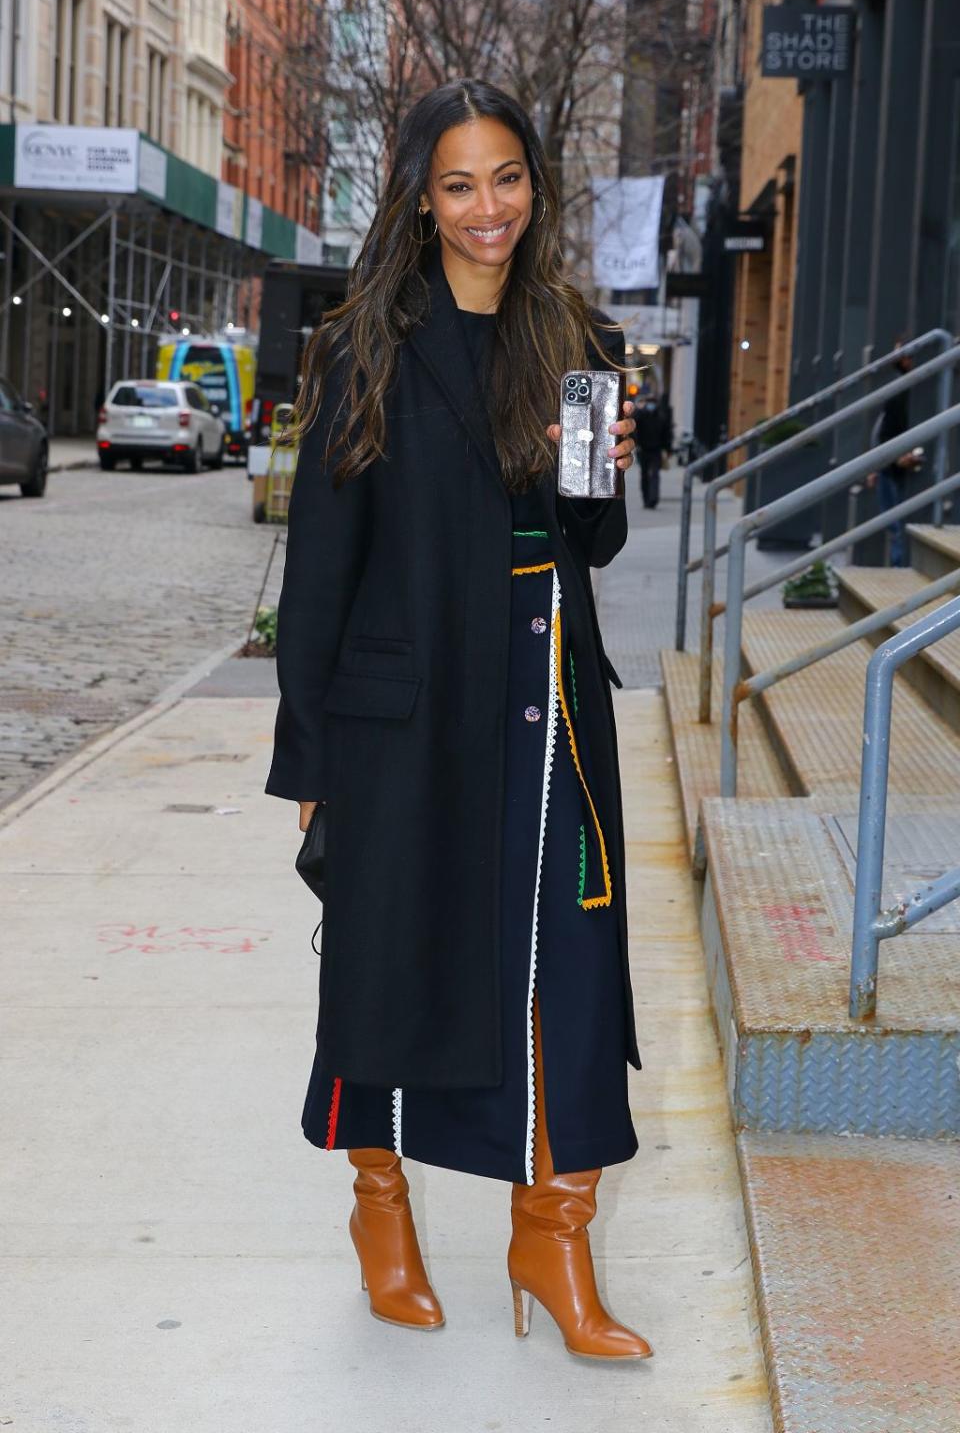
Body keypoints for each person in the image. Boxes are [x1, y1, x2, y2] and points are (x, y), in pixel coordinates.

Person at [265, 78, 652, 1362]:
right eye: (459, 184)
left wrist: (603, 455)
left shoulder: (579, 341)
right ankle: (382, 1207)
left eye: (508, 179)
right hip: (407, 713)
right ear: (421, 200)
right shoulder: (365, 346)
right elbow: (320, 567)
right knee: (391, 958)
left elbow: (592, 537)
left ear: (535, 188)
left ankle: (554, 1233)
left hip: (549, 705)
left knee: (569, 967)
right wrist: (313, 753)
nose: (489, 208)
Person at [866, 342, 922, 568]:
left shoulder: (904, 390)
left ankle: (900, 569)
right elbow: (882, 429)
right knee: (895, 525)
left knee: (897, 525)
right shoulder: (899, 390)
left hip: (894, 464)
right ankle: (899, 568)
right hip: (891, 464)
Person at [634, 381, 670, 508]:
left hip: (656, 450)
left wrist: (667, 449)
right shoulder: (641, 415)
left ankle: (653, 498)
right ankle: (646, 499)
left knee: (654, 475)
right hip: (643, 449)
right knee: (644, 474)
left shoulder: (661, 416)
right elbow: (634, 427)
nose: (650, 405)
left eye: (652, 402)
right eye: (648, 402)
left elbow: (666, 434)